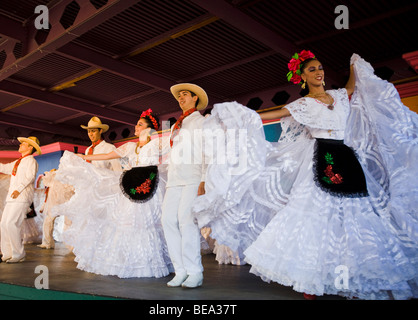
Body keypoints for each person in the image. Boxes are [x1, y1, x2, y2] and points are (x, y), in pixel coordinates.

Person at [192, 51, 418, 299]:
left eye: (320, 67)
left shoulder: (340, 96)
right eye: (312, 69)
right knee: (315, 217)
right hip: (320, 158)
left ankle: (356, 275)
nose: (319, 72)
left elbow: (352, 85)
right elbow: (270, 115)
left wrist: (354, 63)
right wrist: (240, 115)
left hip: (348, 159)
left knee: (354, 216)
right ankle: (311, 279)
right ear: (301, 77)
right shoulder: (301, 105)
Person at [52, 109, 173, 278]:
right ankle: (129, 260)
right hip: (131, 187)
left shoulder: (156, 144)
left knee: (145, 224)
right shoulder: (131, 147)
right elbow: (107, 155)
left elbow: (175, 143)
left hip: (149, 187)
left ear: (150, 128)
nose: (136, 127)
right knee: (127, 224)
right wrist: (84, 157)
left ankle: (150, 261)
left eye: (140, 124)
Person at [161, 83, 208, 288]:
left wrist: (205, 178)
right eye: (179, 96)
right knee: (168, 220)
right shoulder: (175, 125)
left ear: (195, 98)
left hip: (193, 177)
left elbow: (208, 150)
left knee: (187, 222)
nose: (180, 98)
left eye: (185, 95)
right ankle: (180, 270)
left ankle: (195, 272)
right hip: (174, 179)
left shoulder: (202, 121)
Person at [0, 136, 40, 263]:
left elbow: (29, 177)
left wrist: (18, 189)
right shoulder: (18, 162)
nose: (20, 145)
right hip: (13, 197)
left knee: (12, 223)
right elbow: (2, 168)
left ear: (30, 147)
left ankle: (18, 253)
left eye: (23, 143)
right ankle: (7, 253)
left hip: (22, 197)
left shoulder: (31, 161)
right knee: (4, 224)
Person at [37, 169, 74, 249]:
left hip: (65, 203)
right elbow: (47, 198)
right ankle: (47, 242)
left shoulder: (67, 180)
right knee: (48, 221)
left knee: (68, 222)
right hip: (53, 205)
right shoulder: (51, 184)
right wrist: (43, 206)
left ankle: (71, 244)